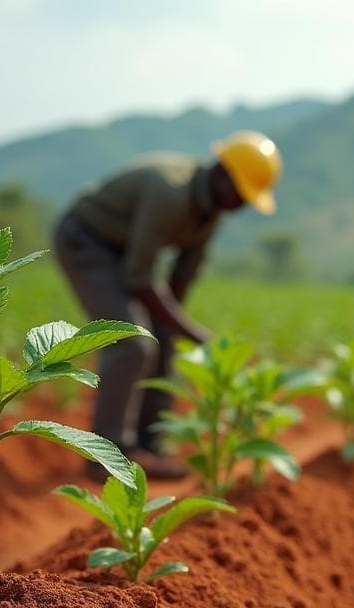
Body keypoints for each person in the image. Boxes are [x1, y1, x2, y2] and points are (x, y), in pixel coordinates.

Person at [52, 131, 282, 478]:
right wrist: (202, 338)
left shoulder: (210, 214)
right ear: (222, 174)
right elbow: (140, 279)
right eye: (240, 194)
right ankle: (106, 457)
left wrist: (173, 329)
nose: (241, 205)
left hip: (125, 253)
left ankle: (149, 448)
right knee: (131, 343)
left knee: (162, 337)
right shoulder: (170, 192)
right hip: (86, 240)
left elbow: (177, 286)